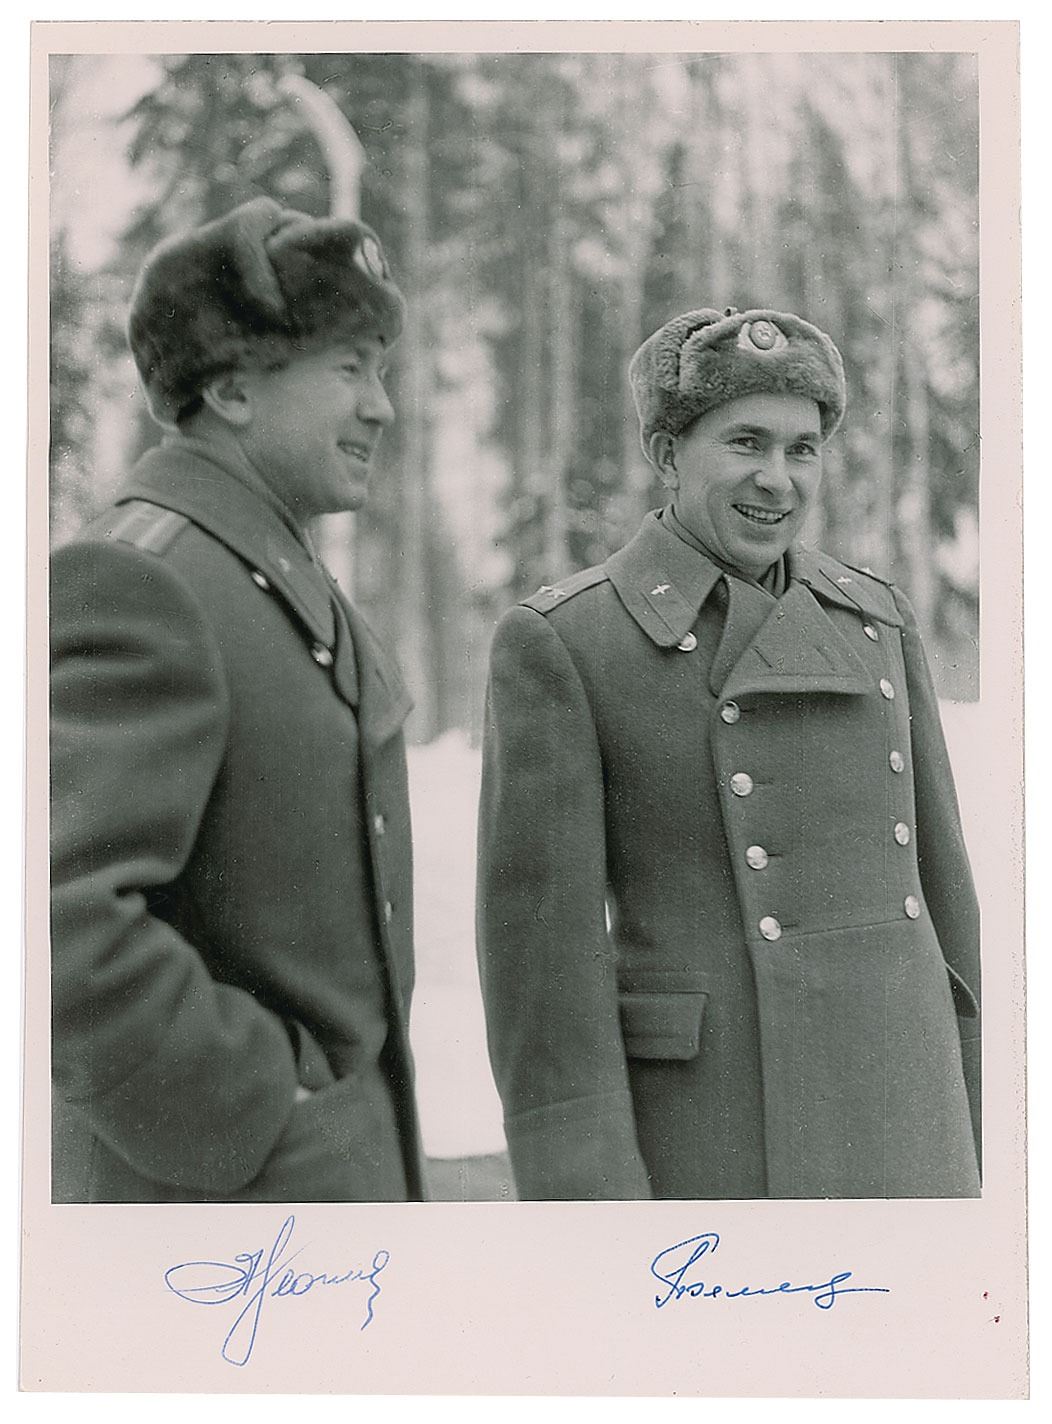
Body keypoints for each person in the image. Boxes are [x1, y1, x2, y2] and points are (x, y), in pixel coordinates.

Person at [476, 305, 981, 1200]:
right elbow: (543, 973)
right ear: (667, 454)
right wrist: (584, 1198)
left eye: (802, 448)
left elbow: (945, 902)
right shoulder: (569, 641)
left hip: (903, 1113)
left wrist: (983, 1122)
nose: (777, 480)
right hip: (712, 1127)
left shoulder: (875, 619)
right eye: (746, 442)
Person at [50, 197, 425, 1202]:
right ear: (230, 388)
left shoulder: (264, 564)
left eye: (380, 372)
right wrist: (257, 1101)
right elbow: (54, 917)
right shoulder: (142, 577)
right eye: (349, 369)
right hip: (222, 1208)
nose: (381, 407)